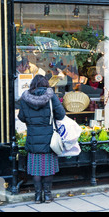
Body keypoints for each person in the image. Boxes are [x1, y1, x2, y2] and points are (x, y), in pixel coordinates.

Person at [18, 75, 66, 203]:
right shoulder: (51, 97)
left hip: (33, 138)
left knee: (36, 169)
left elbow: (21, 117)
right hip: (48, 138)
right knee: (48, 168)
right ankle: (48, 196)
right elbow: (61, 115)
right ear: (45, 84)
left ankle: (38, 196)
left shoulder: (25, 98)